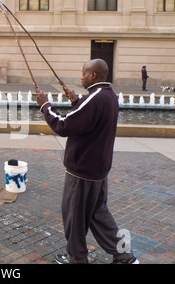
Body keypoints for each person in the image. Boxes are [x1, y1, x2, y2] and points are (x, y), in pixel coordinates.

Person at [37, 59, 139, 264]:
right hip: (98, 171)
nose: (81, 76)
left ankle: (77, 259)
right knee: (99, 215)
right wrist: (76, 102)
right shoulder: (107, 95)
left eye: (83, 73)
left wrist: (45, 106)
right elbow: (89, 118)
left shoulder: (95, 99)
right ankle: (125, 257)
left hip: (82, 171)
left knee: (74, 217)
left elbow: (64, 125)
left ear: (93, 76)